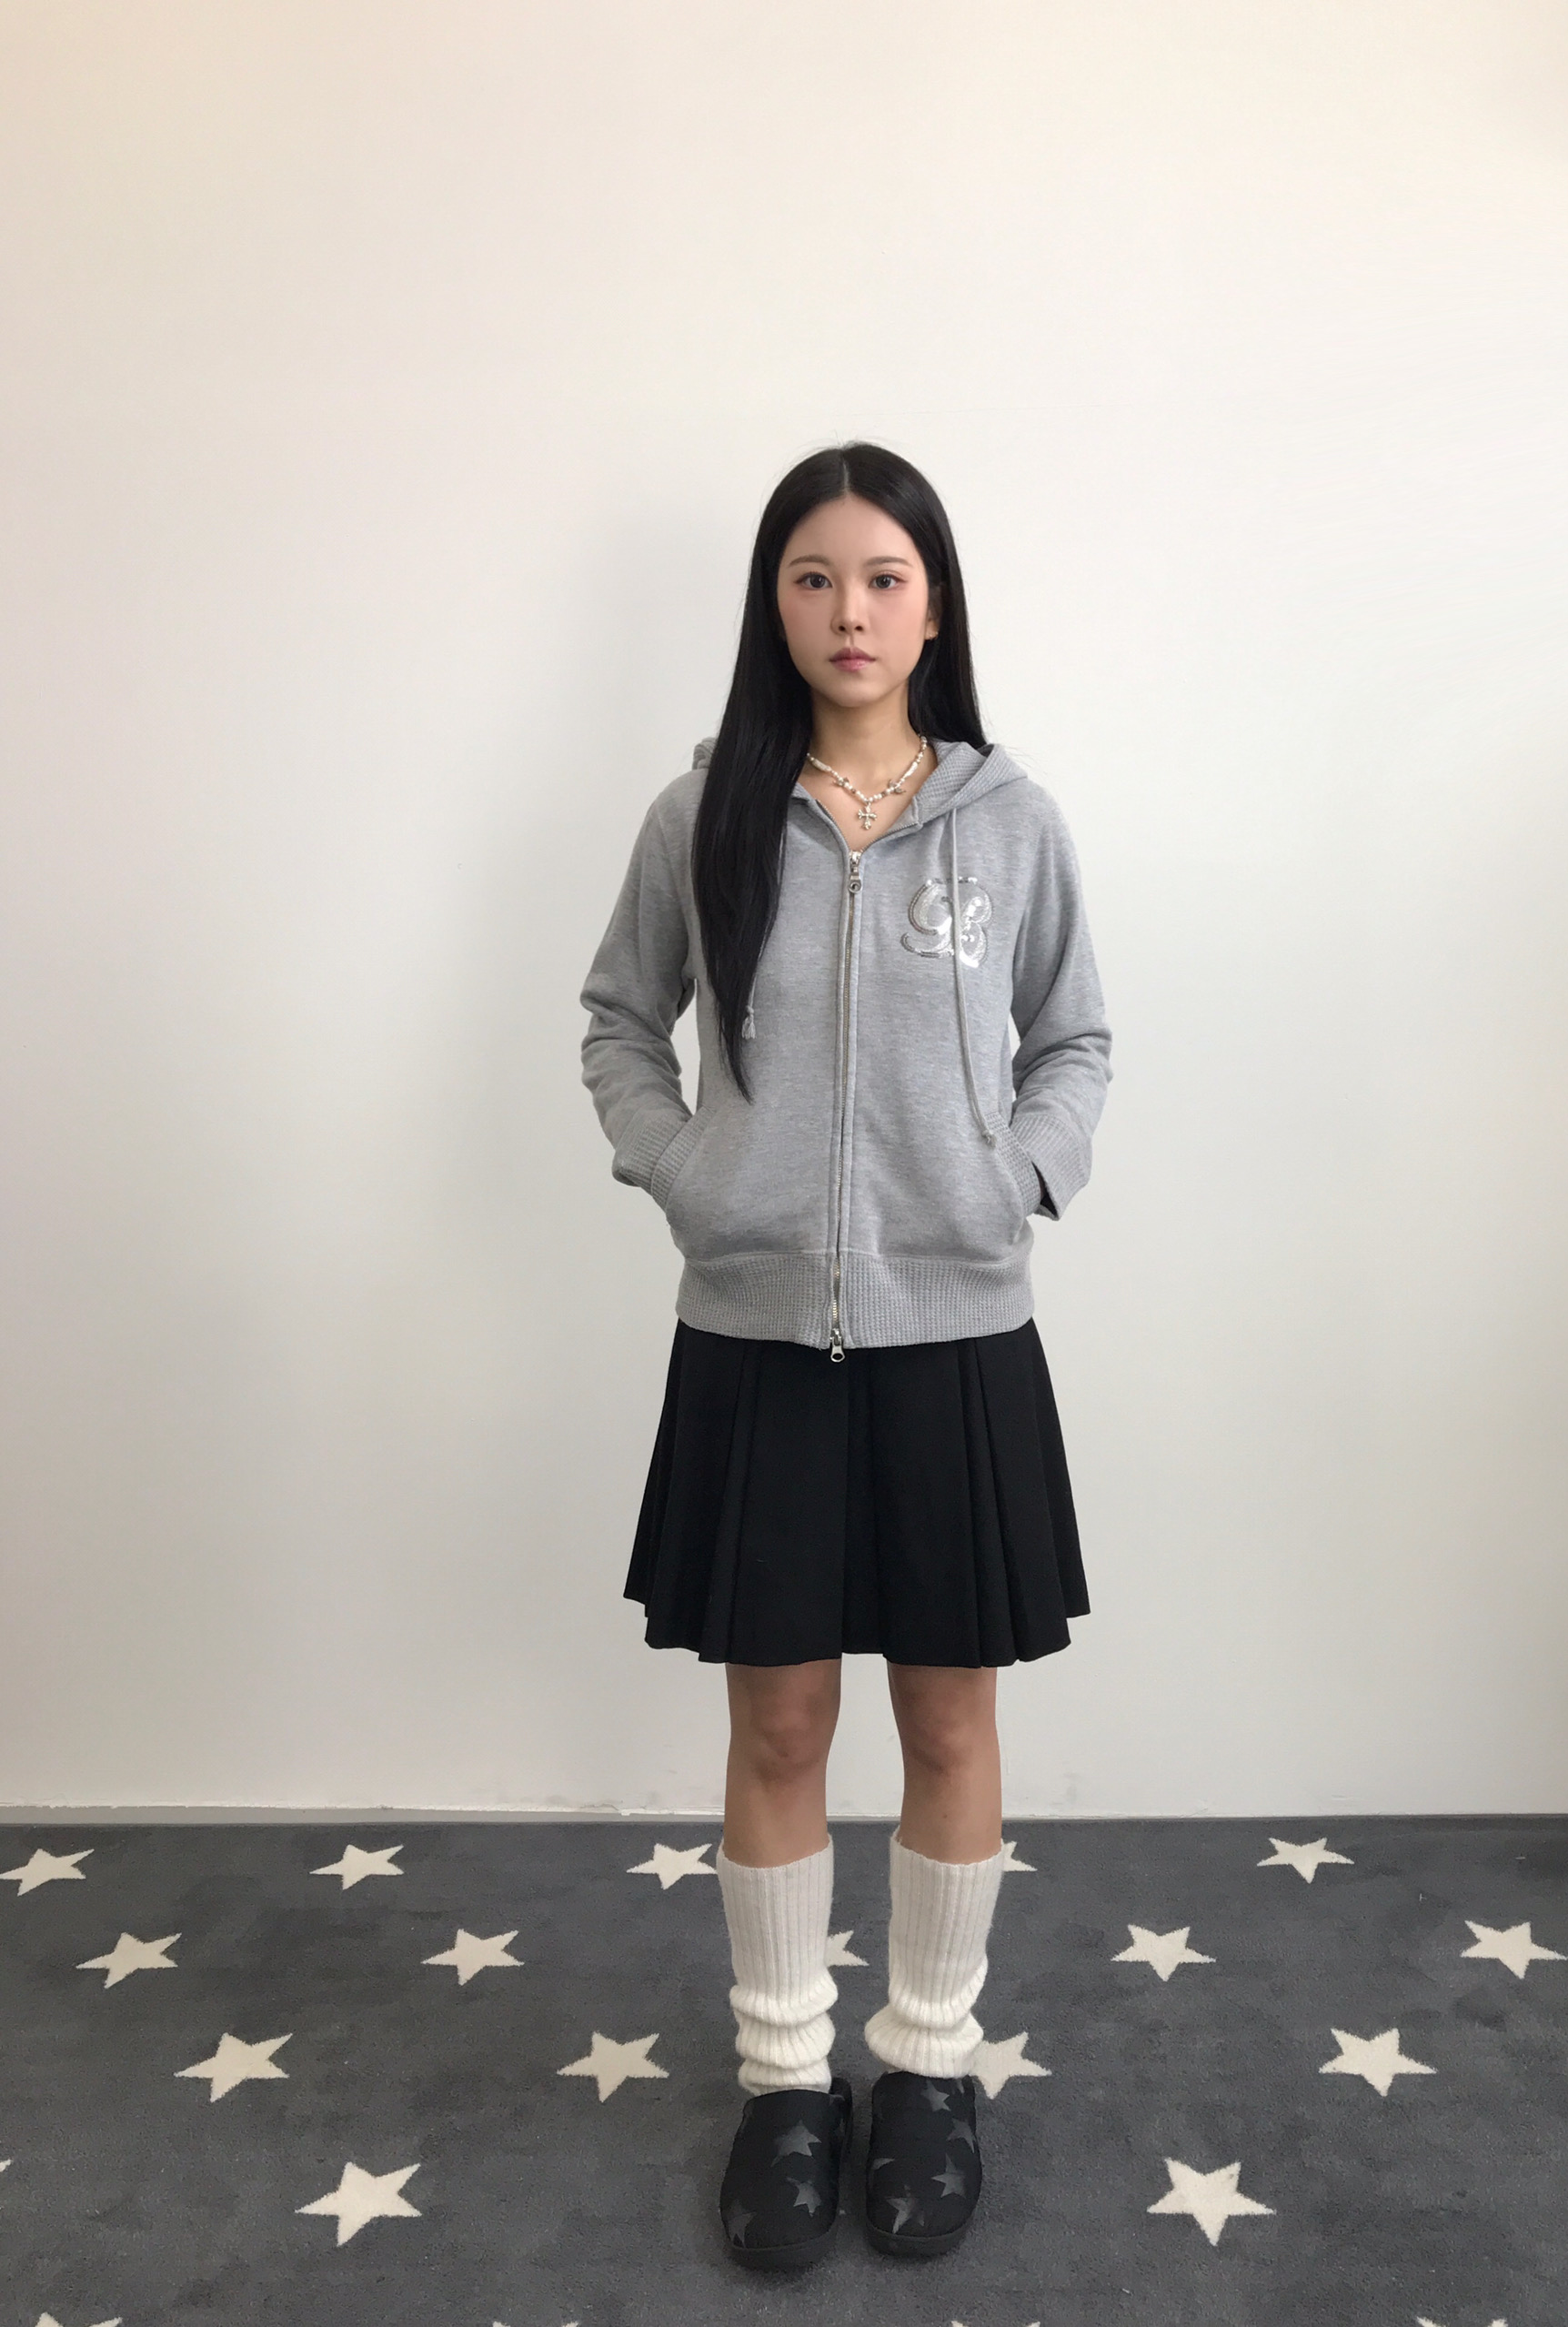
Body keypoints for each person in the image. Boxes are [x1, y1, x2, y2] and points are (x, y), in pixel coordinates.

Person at [578, 441, 1112, 2271]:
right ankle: (787, 2082)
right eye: (812, 578)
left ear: (932, 604)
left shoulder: (1007, 820)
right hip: (755, 1339)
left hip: (955, 1334)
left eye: (882, 577)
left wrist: (1012, 1176)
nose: (849, 611)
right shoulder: (705, 813)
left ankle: (929, 2069)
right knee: (779, 1722)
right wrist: (691, 1172)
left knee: (950, 1717)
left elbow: (1074, 1037)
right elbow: (617, 1019)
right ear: (774, 605)